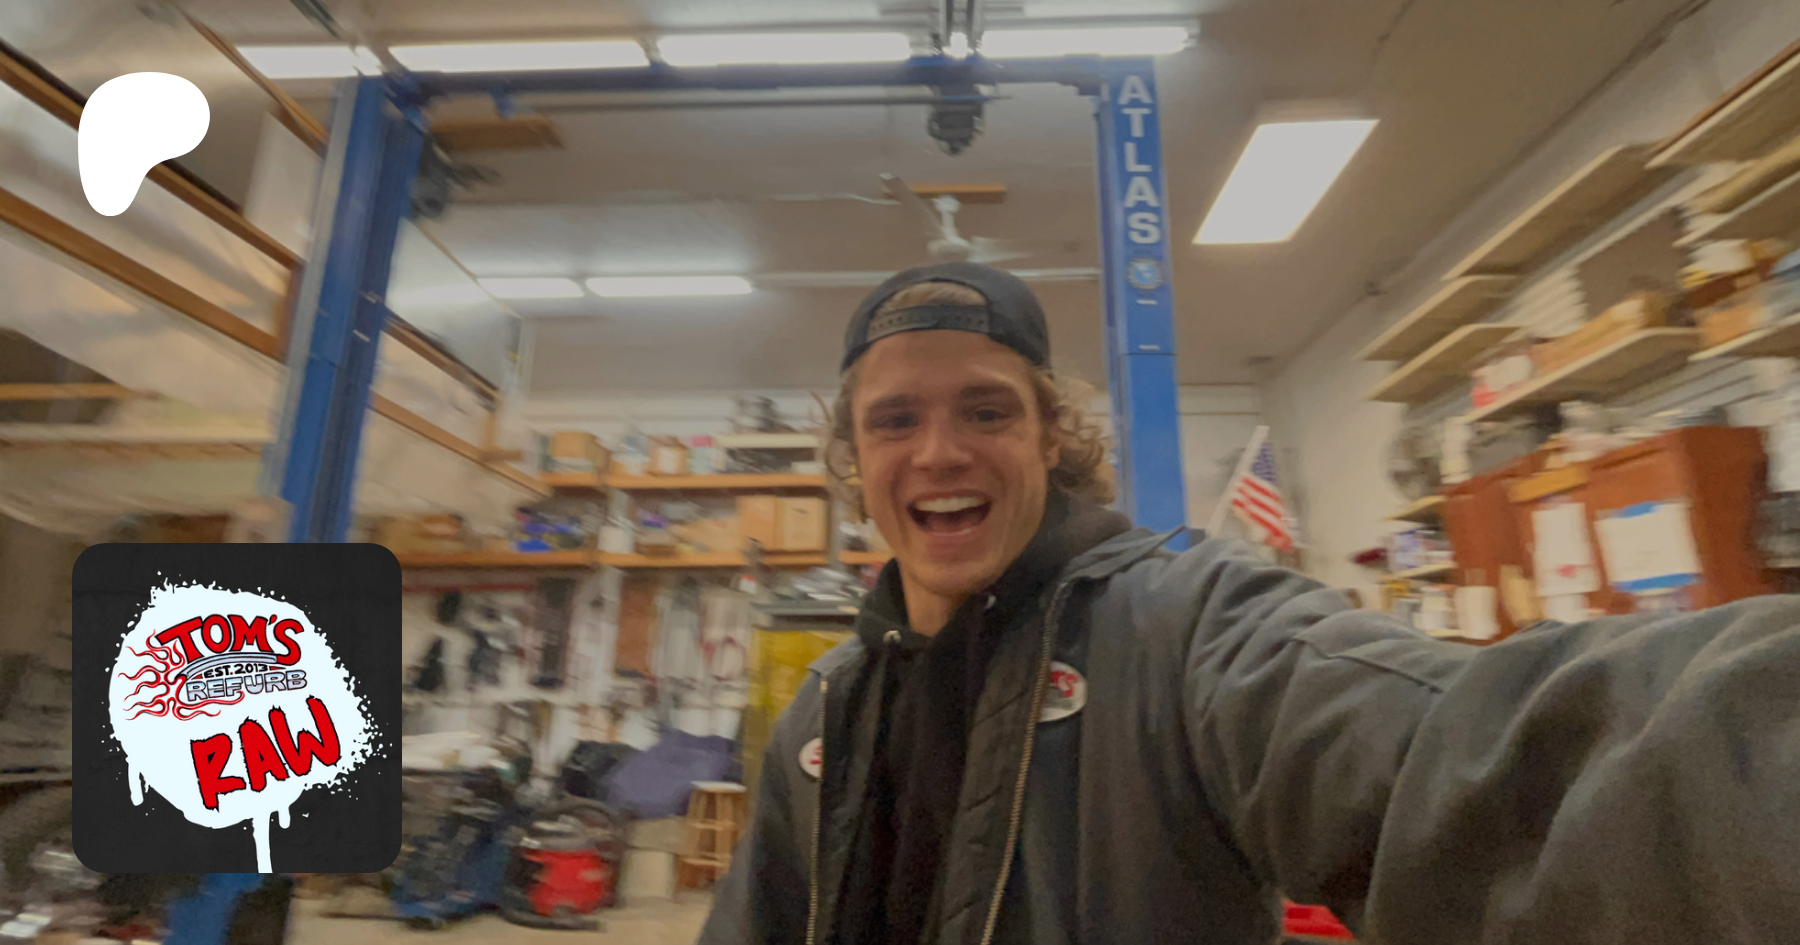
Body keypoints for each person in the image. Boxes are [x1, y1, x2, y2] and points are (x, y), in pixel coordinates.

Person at [698, 262, 1800, 945]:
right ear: (855, 460)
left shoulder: (1188, 628)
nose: (939, 451)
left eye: (986, 411)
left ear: (1048, 439)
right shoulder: (827, 712)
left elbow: (1483, 766)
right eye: (895, 420)